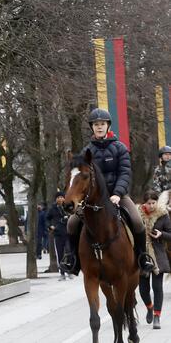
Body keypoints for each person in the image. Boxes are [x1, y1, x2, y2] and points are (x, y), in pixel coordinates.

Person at [60, 108, 155, 276]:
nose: (99, 127)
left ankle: (142, 257)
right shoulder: (86, 151)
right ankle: (72, 259)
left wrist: (118, 193)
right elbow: (79, 178)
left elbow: (125, 173)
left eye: (102, 124)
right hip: (93, 199)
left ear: (108, 126)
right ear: (92, 127)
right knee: (72, 223)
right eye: (96, 124)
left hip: (118, 195)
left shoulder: (120, 148)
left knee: (137, 220)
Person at [137, 190, 171, 329]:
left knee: (157, 288)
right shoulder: (138, 215)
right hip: (143, 256)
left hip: (157, 255)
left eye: (153, 203)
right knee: (143, 289)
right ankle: (149, 307)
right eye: (148, 203)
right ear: (144, 203)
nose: (151, 206)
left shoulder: (163, 215)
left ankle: (157, 316)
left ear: (157, 202)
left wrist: (161, 234)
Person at [47, 192, 71, 280]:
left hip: (68, 233)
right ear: (56, 199)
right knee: (60, 254)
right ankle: (62, 273)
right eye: (58, 197)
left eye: (62, 197)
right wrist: (50, 226)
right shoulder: (52, 209)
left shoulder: (68, 207)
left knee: (69, 252)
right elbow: (47, 219)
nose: (60, 199)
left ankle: (69, 270)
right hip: (58, 234)